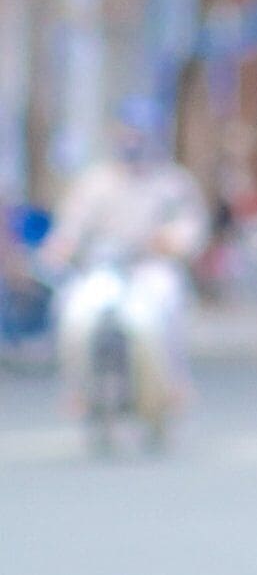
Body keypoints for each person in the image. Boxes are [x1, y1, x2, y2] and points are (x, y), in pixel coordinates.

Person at [43, 119, 212, 432]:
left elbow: (190, 226)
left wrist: (173, 240)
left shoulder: (171, 182)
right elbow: (71, 225)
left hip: (151, 267)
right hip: (103, 267)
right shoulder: (96, 182)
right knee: (72, 312)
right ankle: (78, 389)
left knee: (168, 308)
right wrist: (61, 247)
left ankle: (173, 384)